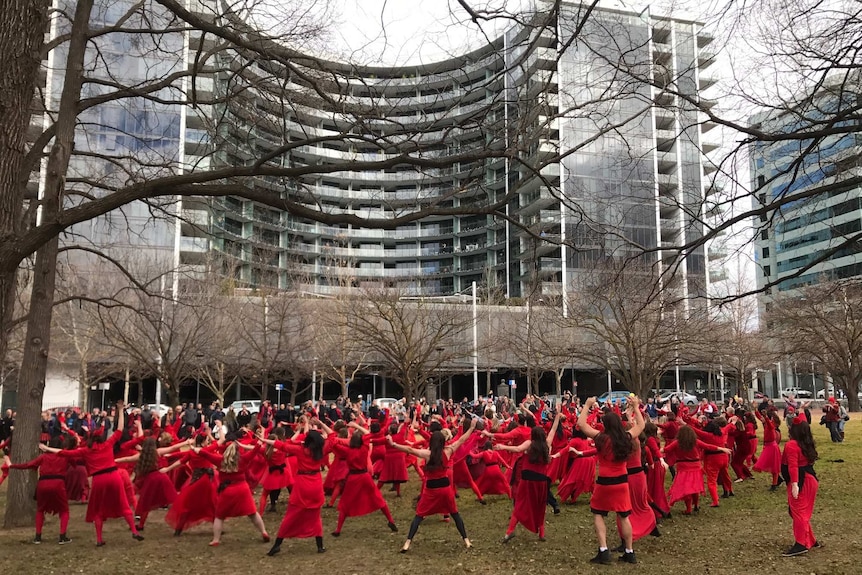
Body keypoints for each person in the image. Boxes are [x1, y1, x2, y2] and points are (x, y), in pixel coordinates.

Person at [40, 401, 143, 546]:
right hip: (114, 475)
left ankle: (100, 539)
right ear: (101, 438)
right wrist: (120, 411)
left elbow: (65, 453)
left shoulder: (85, 451)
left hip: (99, 479)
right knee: (124, 504)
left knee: (98, 509)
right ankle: (134, 531)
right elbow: (119, 429)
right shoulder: (107, 445)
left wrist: (47, 448)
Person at [389, 418, 477, 553]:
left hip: (431, 489)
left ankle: (407, 543)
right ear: (442, 442)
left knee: (419, 516)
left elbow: (409, 449)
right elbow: (461, 440)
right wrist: (471, 428)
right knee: (455, 514)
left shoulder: (427, 454)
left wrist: (393, 444)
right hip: (445, 488)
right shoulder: (448, 451)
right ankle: (466, 540)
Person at [577, 396, 645, 565]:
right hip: (622, 482)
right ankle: (630, 551)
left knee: (598, 513)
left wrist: (587, 405)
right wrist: (636, 407)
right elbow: (641, 426)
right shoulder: (626, 438)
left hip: (605, 483)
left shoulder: (601, 438)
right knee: (624, 516)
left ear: (606, 425)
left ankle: (603, 550)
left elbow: (581, 425)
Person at [264, 424, 329, 556]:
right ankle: (320, 545)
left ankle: (277, 544)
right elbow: (332, 436)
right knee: (315, 516)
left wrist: (264, 440)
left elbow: (281, 445)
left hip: (302, 484)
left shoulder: (301, 450)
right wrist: (321, 424)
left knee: (291, 515)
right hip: (316, 483)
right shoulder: (322, 450)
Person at [495, 413, 561, 543]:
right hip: (541, 481)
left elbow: (517, 448)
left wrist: (503, 446)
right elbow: (553, 429)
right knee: (540, 506)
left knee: (520, 505)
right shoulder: (546, 445)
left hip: (527, 480)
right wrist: (557, 416)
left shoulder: (529, 444)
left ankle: (509, 532)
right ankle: (541, 533)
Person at [195, 437, 270, 546]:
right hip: (242, 489)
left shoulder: (219, 460)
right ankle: (264, 532)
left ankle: (216, 539)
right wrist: (259, 443)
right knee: (253, 513)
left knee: (219, 516)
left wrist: (197, 450)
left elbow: (205, 454)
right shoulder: (243, 459)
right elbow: (255, 451)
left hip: (227, 491)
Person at [328, 422, 397, 537]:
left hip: (353, 478)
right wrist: (357, 426)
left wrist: (332, 437)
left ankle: (338, 530)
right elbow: (369, 435)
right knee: (378, 498)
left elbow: (333, 444)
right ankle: (391, 520)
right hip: (365, 477)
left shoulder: (347, 451)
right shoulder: (364, 448)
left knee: (346, 502)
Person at [6, 437, 71, 544]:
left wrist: (12, 465)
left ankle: (38, 536)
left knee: (40, 510)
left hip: (43, 484)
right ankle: (62, 536)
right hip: (58, 484)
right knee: (64, 510)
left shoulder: (43, 457)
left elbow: (28, 465)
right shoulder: (65, 456)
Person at [780, 418, 820, 556]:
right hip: (811, 479)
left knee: (798, 512)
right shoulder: (807, 443)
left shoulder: (791, 445)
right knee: (800, 512)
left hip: (801, 480)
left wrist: (795, 484)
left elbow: (793, 465)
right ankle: (811, 540)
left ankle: (801, 544)